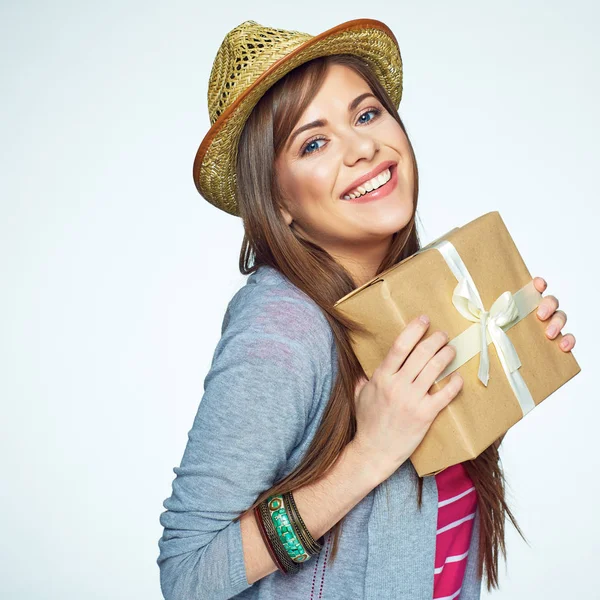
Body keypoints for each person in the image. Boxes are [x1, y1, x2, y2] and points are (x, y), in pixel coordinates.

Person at [156, 18, 576, 600]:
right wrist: (368, 456)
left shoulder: (417, 291)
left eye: (366, 114)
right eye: (314, 142)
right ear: (279, 205)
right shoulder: (282, 328)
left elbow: (424, 516)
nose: (363, 147)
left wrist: (498, 367)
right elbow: (187, 573)